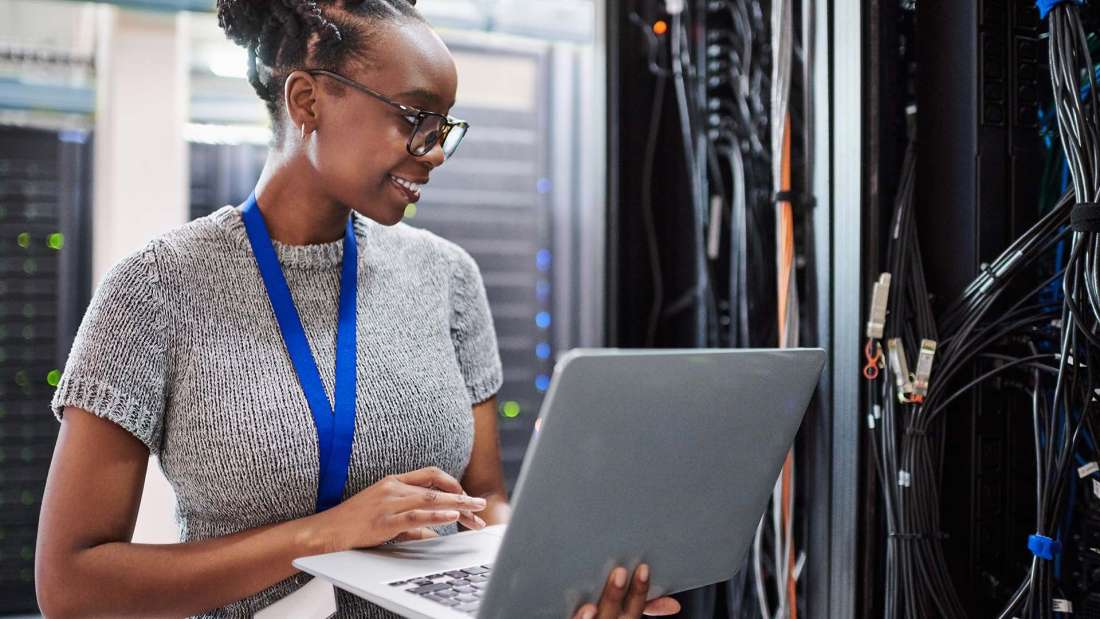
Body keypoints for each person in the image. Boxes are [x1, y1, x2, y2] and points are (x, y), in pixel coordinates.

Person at [33, 1, 682, 617]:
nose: (433, 151)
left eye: (444, 127)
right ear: (307, 101)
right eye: (413, 117)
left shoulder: (447, 277)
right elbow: (70, 584)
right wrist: (324, 534)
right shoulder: (157, 286)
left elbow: (484, 501)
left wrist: (556, 586)